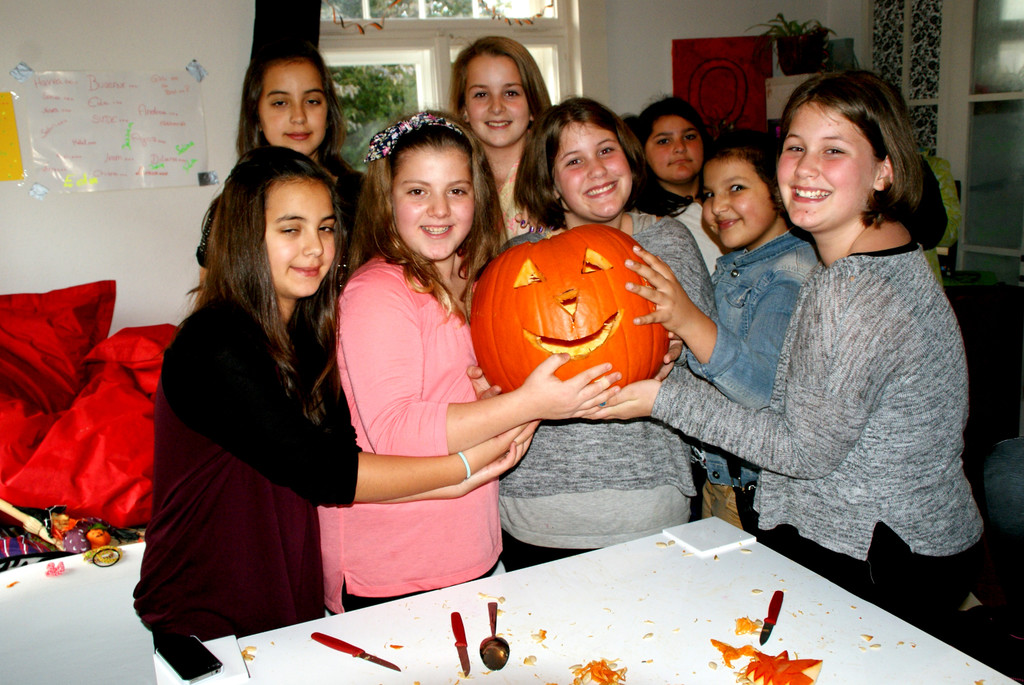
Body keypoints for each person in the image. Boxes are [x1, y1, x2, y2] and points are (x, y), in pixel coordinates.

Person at [596, 71, 983, 634]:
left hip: (880, 553)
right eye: (796, 147)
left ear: (884, 170)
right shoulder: (887, 253)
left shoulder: (850, 290)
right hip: (917, 534)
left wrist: (661, 400)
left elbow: (801, 450)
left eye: (834, 150)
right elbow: (803, 402)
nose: (805, 169)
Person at [134, 147, 533, 642]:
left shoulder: (306, 334)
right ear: (244, 236)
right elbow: (324, 471)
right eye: (291, 229)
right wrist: (462, 470)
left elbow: (346, 456)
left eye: (325, 228)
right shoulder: (214, 343)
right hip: (204, 606)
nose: (315, 248)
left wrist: (458, 472)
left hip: (285, 599)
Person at [319, 112, 620, 612]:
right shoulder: (378, 292)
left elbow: (454, 398)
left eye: (456, 191)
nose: (439, 209)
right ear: (386, 197)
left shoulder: (470, 280)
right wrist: (527, 404)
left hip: (469, 549)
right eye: (418, 191)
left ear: (478, 196)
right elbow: (395, 430)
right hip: (393, 569)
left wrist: (494, 397)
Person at [496, 97, 715, 570]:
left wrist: (681, 353)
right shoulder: (516, 261)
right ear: (550, 183)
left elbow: (713, 369)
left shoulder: (667, 243)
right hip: (537, 512)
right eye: (573, 161)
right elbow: (501, 368)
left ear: (629, 158)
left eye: (605, 150)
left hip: (648, 504)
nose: (596, 170)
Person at [682, 130, 818, 531]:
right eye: (709, 194)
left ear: (779, 191)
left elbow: (760, 388)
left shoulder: (787, 277)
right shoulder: (738, 266)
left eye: (736, 188)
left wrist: (688, 321)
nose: (717, 206)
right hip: (719, 475)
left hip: (750, 490)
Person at [196, 38, 362, 267]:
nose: (299, 116)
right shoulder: (233, 204)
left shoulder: (364, 197)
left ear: (329, 113)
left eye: (312, 101)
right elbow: (212, 285)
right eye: (280, 103)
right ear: (256, 115)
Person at [450, 36, 551, 240]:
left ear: (532, 104)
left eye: (511, 93)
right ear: (464, 109)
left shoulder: (557, 174)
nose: (496, 107)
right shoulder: (449, 180)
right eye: (481, 94)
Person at [631, 96, 723, 271]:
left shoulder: (731, 201)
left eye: (689, 137)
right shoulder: (645, 225)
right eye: (664, 141)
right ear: (642, 151)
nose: (680, 147)